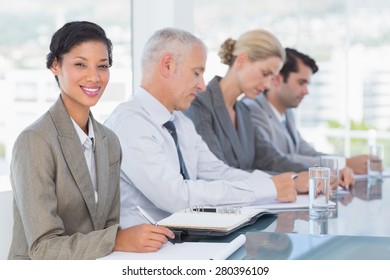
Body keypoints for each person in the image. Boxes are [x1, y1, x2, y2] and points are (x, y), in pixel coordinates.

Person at [8, 21, 173, 260]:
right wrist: (116, 239)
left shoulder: (109, 142)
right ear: (55, 65)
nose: (94, 77)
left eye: (102, 66)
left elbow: (107, 226)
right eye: (80, 65)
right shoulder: (34, 142)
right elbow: (43, 248)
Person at [104, 27, 300, 228]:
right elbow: (177, 197)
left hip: (185, 241)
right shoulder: (130, 124)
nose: (202, 86)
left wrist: (274, 184)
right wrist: (266, 188)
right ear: (167, 65)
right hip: (148, 252)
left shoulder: (181, 123)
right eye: (196, 73)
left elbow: (219, 172)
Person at [184, 29, 309, 186]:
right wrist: (291, 181)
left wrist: (318, 174)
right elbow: (217, 173)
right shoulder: (199, 105)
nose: (268, 84)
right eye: (265, 73)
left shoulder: (244, 112)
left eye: (272, 77)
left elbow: (271, 159)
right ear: (242, 60)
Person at [243, 48, 366, 178]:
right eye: (301, 83)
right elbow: (277, 160)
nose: (306, 91)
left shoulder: (288, 112)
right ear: (277, 79)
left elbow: (305, 151)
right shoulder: (252, 110)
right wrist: (342, 163)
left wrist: (342, 161)